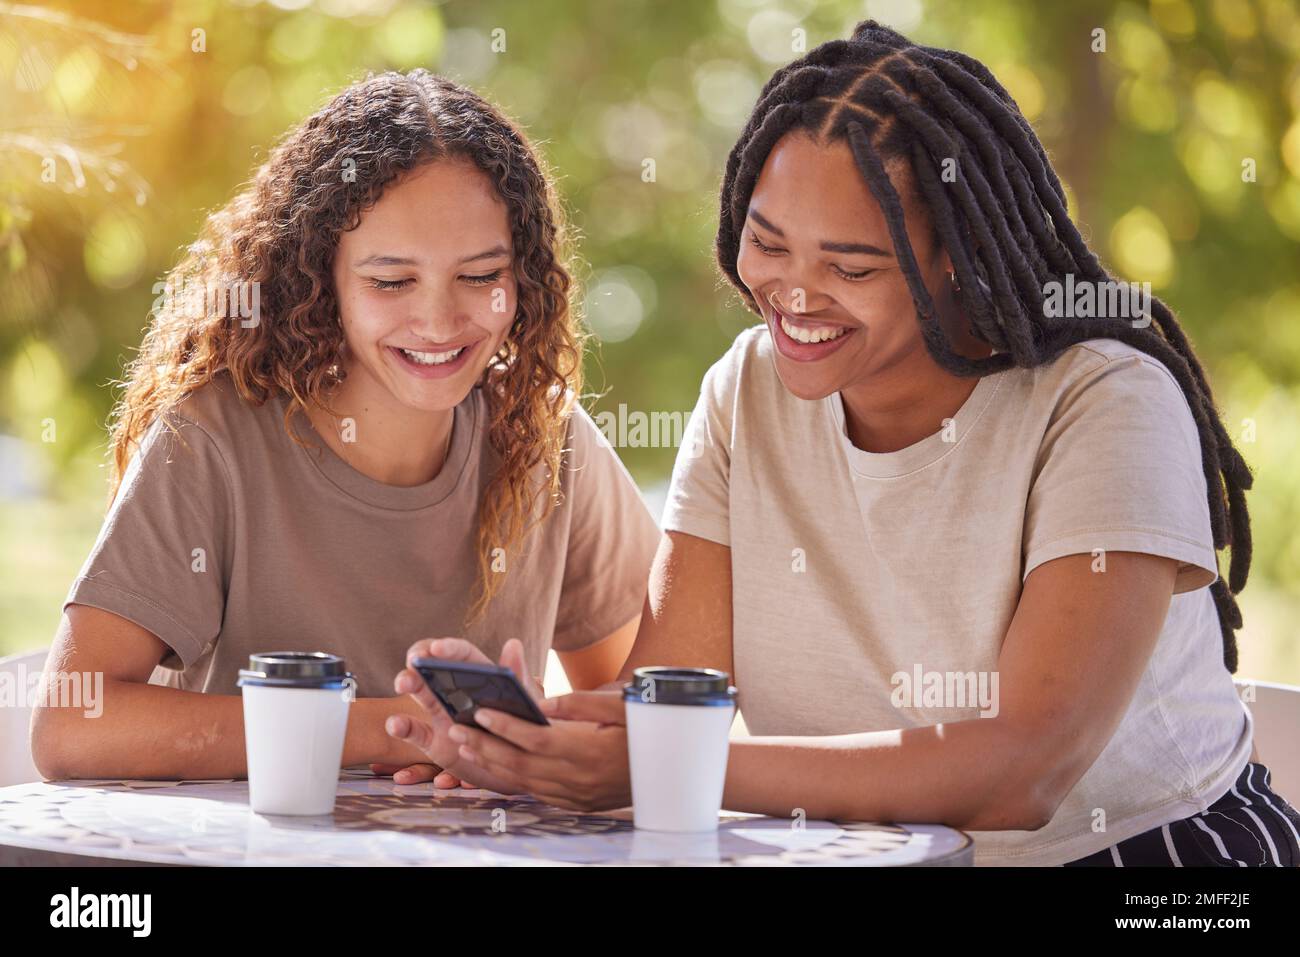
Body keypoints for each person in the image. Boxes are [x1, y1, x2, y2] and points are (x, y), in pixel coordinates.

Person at [387, 23, 1300, 866]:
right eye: (767, 244)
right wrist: (521, 738)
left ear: (957, 258)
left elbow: (1024, 770)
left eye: (850, 265)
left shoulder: (1106, 403)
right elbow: (664, 702)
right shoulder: (746, 392)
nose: (794, 294)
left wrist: (673, 767)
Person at [32, 71, 660, 786]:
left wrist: (520, 739)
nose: (438, 322)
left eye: (481, 275)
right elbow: (72, 724)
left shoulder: (546, 437)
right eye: (391, 282)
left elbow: (638, 709)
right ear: (317, 278)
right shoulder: (213, 440)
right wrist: (407, 730)